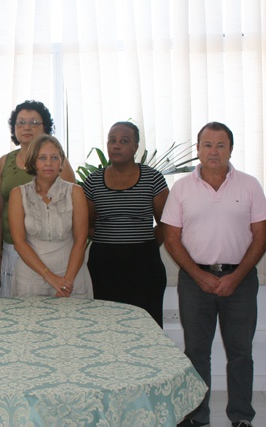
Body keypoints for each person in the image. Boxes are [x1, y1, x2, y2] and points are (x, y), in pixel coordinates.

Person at [162, 122, 266, 427]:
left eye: (221, 145)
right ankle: (197, 417)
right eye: (207, 145)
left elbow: (261, 237)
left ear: (231, 149)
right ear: (198, 149)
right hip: (195, 281)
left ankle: (242, 418)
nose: (214, 151)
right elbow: (171, 238)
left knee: (240, 354)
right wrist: (198, 275)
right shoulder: (181, 188)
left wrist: (236, 277)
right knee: (195, 352)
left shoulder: (249, 185)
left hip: (241, 280)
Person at [82, 121, 169, 326]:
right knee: (108, 326)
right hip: (104, 263)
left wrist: (142, 244)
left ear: (135, 147)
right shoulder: (93, 182)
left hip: (144, 263)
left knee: (146, 325)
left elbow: (166, 222)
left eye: (124, 141)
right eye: (112, 141)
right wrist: (111, 239)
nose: (116, 145)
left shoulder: (152, 178)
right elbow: (86, 224)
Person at [0, 100, 76, 297]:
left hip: (51, 250)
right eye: (21, 123)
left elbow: (72, 209)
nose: (27, 127)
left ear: (46, 127)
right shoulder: (4, 162)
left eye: (34, 123)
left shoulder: (58, 163)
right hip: (12, 248)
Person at [8, 134, 89, 297]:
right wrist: (50, 278)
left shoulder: (75, 192)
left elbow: (80, 241)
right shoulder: (18, 194)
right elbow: (19, 242)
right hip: (31, 276)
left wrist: (67, 282)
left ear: (61, 162)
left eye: (54, 157)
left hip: (71, 275)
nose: (48, 163)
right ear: (32, 162)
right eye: (42, 158)